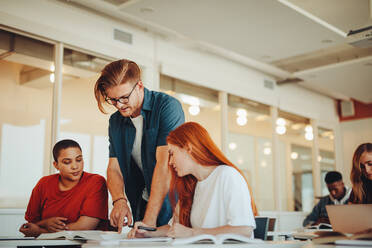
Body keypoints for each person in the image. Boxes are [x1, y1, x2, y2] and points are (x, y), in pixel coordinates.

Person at [94, 59, 184, 233]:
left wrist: (149, 221)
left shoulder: (167, 107)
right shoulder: (116, 121)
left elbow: (164, 164)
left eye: (124, 97)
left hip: (173, 205)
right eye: (113, 100)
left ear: (140, 86)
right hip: (142, 203)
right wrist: (119, 200)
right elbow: (114, 168)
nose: (119, 105)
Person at [128, 122, 258, 239]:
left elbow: (243, 230)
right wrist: (148, 232)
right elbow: (175, 228)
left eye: (172, 153)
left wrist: (192, 233)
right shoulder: (191, 185)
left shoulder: (227, 175)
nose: (170, 161)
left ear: (188, 148)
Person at [19, 139, 108, 237]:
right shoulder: (44, 184)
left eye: (79, 160)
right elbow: (31, 225)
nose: (75, 166)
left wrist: (41, 232)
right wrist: (45, 223)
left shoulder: (96, 182)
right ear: (56, 165)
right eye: (67, 162)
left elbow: (85, 227)